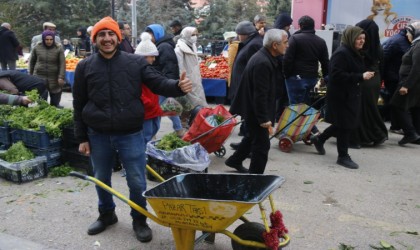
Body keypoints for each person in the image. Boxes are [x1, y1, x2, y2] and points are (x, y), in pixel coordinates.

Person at [72, 16, 192, 243]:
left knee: (137, 180)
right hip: (97, 135)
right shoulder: (84, 66)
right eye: (101, 35)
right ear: (95, 39)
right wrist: (82, 137)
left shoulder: (134, 63)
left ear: (118, 37)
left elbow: (157, 82)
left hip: (130, 133)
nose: (106, 39)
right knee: (101, 178)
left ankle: (139, 219)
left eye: (110, 34)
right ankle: (106, 214)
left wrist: (177, 86)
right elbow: (78, 104)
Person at [310, 26, 375, 169]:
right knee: (345, 125)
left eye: (363, 39)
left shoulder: (354, 52)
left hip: (350, 93)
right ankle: (343, 156)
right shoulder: (342, 53)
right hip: (341, 95)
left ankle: (320, 139)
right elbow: (336, 75)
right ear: (351, 38)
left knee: (343, 123)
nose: (362, 41)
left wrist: (363, 75)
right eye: (359, 38)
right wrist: (360, 76)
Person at [225, 29, 289, 174]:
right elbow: (260, 94)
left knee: (251, 136)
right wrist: (264, 119)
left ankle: (234, 160)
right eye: (285, 43)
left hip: (253, 108)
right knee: (262, 146)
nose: (288, 45)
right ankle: (254, 179)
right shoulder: (262, 62)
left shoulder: (267, 57)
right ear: (274, 45)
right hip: (255, 110)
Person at [283, 15, 329, 134]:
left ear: (300, 26)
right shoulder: (320, 41)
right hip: (311, 78)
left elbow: (288, 59)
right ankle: (307, 131)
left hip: (295, 78)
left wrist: (286, 74)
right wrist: (326, 78)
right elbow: (325, 62)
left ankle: (308, 131)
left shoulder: (295, 39)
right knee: (305, 105)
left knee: (295, 107)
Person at [349, 19, 388, 148]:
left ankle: (364, 136)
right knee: (371, 108)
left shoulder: (361, 48)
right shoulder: (379, 47)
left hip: (364, 79)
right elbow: (382, 66)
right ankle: (378, 134)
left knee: (361, 110)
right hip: (375, 80)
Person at [146, 24, 185, 136]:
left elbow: (169, 66)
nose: (148, 37)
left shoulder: (163, 47)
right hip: (163, 83)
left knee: (157, 109)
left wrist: (167, 85)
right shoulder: (160, 45)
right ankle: (179, 130)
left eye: (150, 34)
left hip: (163, 83)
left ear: (156, 34)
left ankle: (151, 134)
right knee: (168, 107)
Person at [229, 21, 263, 149]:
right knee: (246, 117)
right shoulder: (250, 42)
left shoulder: (254, 45)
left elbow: (253, 67)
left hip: (247, 87)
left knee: (249, 117)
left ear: (245, 34)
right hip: (243, 85)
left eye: (239, 34)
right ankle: (246, 143)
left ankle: (248, 146)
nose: (238, 37)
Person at [390, 22, 420, 145]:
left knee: (397, 104)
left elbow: (417, 68)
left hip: (409, 82)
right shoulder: (416, 45)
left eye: (408, 32)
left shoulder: (418, 46)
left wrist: (406, 85)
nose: (407, 35)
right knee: (416, 108)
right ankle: (416, 134)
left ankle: (410, 133)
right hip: (413, 82)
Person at [382, 25, 413, 134]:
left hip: (396, 75)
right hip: (394, 77)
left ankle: (396, 125)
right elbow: (385, 57)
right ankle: (400, 127)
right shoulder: (397, 41)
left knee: (395, 102)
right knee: (396, 102)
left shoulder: (403, 40)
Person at [134, 32, 163, 143]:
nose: (154, 60)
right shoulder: (137, 72)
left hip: (153, 109)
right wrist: (148, 103)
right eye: (152, 56)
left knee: (151, 133)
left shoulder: (148, 69)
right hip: (147, 111)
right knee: (145, 137)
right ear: (144, 57)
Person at [29, 30, 65, 107]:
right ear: (43, 39)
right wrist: (30, 75)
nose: (49, 41)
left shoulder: (58, 48)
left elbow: (62, 64)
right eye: (47, 39)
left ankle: (55, 105)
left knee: (55, 101)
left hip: (54, 76)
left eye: (51, 39)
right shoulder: (37, 47)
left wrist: (61, 77)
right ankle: (43, 107)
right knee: (42, 100)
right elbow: (32, 62)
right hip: (39, 75)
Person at [175, 27, 208, 109]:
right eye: (193, 35)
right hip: (188, 80)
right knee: (192, 106)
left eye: (196, 35)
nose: (195, 37)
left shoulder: (193, 46)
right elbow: (180, 68)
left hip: (196, 78)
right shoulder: (179, 49)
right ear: (186, 35)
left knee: (200, 102)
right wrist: (184, 80)